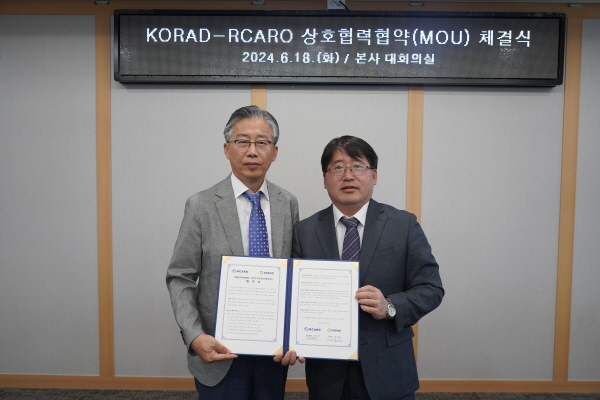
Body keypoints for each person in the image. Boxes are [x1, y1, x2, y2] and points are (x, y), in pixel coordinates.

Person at [292, 135, 444, 400]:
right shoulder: (304, 231)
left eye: (358, 166)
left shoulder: (403, 225)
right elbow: (293, 298)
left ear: (374, 175)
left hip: (389, 369)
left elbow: (431, 288)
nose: (348, 175)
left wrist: (389, 306)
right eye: (338, 167)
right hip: (327, 373)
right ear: (325, 179)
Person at [166, 105, 300, 400]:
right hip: (218, 351)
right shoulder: (201, 205)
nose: (252, 151)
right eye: (242, 142)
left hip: (273, 353)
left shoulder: (287, 203)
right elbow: (180, 278)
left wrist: (297, 334)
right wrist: (194, 336)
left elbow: (294, 274)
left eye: (262, 143)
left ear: (274, 152)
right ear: (227, 149)